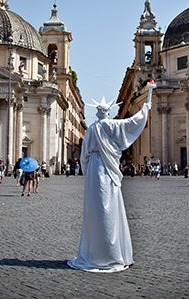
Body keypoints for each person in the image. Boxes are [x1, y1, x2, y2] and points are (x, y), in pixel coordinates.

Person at [68, 94, 152, 273]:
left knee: (95, 208)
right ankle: (114, 252)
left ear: (97, 112)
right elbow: (131, 123)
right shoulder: (114, 125)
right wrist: (145, 109)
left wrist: (86, 168)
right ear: (108, 111)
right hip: (110, 169)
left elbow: (84, 154)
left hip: (94, 170)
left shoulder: (91, 129)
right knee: (111, 208)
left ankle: (95, 252)